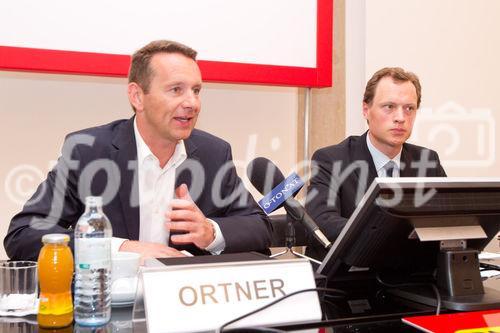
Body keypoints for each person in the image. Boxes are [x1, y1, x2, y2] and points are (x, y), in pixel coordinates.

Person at [4, 40, 272, 261]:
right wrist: (122, 249)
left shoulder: (213, 153)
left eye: (196, 90)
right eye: (176, 90)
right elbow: (24, 233)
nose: (192, 103)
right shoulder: (88, 152)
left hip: (185, 304)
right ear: (137, 96)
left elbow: (259, 227)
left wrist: (210, 232)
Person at [305, 67, 447, 260]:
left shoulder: (427, 161)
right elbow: (323, 222)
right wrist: (392, 239)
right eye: (389, 106)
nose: (400, 117)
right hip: (350, 280)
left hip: (412, 278)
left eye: (409, 108)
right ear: (366, 110)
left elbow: (447, 221)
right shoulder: (331, 160)